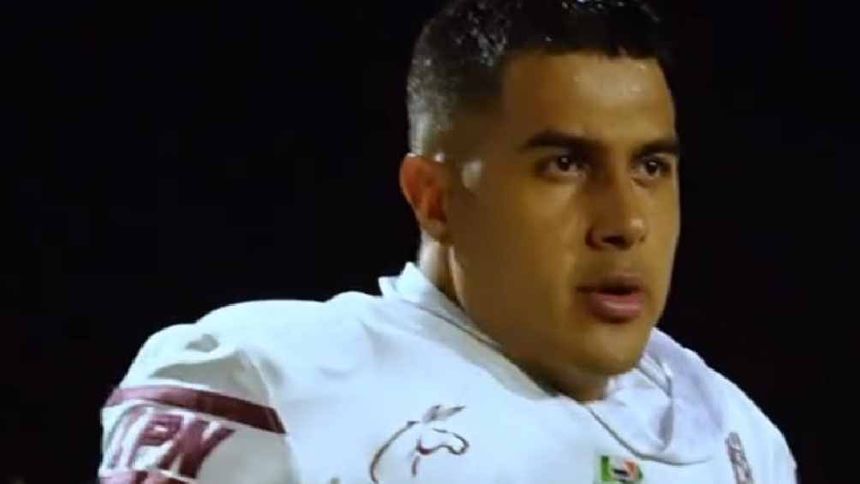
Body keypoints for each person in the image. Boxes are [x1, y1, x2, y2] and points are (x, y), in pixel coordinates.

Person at [98, 0, 797, 482]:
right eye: (565, 164)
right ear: (434, 198)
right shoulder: (270, 383)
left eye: (650, 167)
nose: (625, 221)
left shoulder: (737, 435)